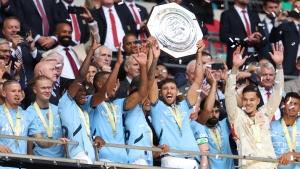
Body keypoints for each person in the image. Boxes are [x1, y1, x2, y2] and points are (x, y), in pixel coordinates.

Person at [87, 41, 149, 164]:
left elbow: (142, 93)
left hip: (123, 159)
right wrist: (118, 64)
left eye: (116, 82)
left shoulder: (120, 103)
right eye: (111, 82)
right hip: (102, 158)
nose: (115, 85)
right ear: (99, 84)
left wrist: (143, 66)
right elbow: (105, 93)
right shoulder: (92, 100)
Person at [225, 43, 284, 168]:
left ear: (258, 101)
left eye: (252, 100)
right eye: (245, 99)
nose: (248, 103)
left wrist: (279, 66)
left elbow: (278, 91)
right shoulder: (236, 116)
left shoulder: (265, 113)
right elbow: (229, 95)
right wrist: (235, 68)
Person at [148, 40, 205, 168]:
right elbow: (150, 81)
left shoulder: (184, 105)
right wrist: (154, 58)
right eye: (165, 88)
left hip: (191, 160)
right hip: (171, 159)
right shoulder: (157, 108)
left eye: (172, 88)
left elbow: (197, 81)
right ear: (160, 93)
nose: (169, 91)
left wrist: (199, 54)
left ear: (177, 92)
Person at [58, 31, 104, 164]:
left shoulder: (82, 110)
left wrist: (96, 137)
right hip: (77, 155)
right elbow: (80, 76)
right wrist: (91, 51)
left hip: (90, 155)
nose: (83, 93)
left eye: (84, 90)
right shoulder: (65, 103)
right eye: (79, 90)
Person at [0, 80, 67, 165]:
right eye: (13, 91)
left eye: (19, 91)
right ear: (4, 93)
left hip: (20, 165)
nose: (17, 94)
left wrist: (55, 142)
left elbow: (40, 142)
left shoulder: (27, 115)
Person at [42, 7, 100, 80]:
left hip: (83, 85)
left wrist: (91, 20)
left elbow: (95, 41)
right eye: (64, 32)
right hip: (64, 86)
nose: (67, 34)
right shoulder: (48, 55)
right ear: (56, 34)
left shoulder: (81, 48)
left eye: (69, 32)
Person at [26, 76, 66, 157]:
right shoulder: (29, 112)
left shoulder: (58, 109)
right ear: (35, 90)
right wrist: (55, 142)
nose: (47, 91)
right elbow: (39, 141)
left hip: (62, 159)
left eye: (49, 87)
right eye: (43, 88)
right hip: (42, 160)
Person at [219, 0, 267, 69]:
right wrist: (245, 39)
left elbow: (264, 38)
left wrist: (258, 40)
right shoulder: (227, 14)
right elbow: (223, 36)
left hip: (256, 57)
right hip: (237, 57)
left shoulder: (254, 15)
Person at [2, 17, 43, 89]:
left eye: (16, 27)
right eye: (10, 27)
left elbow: (42, 64)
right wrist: (13, 48)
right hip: (12, 88)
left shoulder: (27, 47)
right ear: (3, 31)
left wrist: (32, 49)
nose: (14, 30)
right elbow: (5, 64)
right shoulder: (2, 48)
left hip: (32, 89)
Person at [190, 69, 218, 169]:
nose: (191, 110)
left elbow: (208, 109)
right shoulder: (186, 123)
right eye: (189, 107)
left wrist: (214, 85)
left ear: (199, 109)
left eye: (194, 106)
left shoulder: (197, 124)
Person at [200, 99, 235, 169]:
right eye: (210, 112)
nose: (214, 115)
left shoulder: (225, 124)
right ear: (202, 112)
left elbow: (234, 110)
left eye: (216, 111)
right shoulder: (199, 128)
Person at [269, 0, 300, 75]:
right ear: (292, 10)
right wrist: (278, 21)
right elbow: (273, 39)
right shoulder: (285, 25)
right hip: (289, 67)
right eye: (296, 7)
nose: (299, 9)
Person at [271, 92, 300, 168]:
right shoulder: (271, 126)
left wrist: (293, 154)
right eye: (289, 103)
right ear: (283, 104)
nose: (292, 106)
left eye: (295, 104)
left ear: (299, 108)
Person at [257, 0, 282, 65]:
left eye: (276, 7)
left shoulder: (286, 24)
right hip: (265, 65)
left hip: (286, 65)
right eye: (270, 7)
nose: (273, 10)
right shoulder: (257, 26)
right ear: (264, 8)